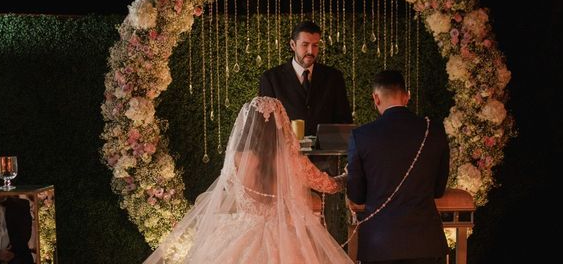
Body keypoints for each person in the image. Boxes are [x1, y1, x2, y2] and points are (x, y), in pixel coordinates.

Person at [142, 96, 354, 264]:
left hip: (241, 233)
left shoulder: (238, 158)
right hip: (284, 237)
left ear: (248, 123)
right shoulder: (291, 160)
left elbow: (229, 188)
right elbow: (329, 185)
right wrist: (346, 176)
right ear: (280, 126)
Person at [346, 70, 450, 264]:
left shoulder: (361, 136)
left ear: (376, 98)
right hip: (426, 242)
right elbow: (438, 190)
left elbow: (356, 195)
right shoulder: (434, 131)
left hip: (379, 245)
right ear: (406, 96)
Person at [258, 20, 352, 136]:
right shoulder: (270, 78)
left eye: (315, 45)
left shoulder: (334, 77)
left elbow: (344, 121)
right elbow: (265, 124)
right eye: (305, 45)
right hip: (286, 153)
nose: (311, 51)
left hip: (325, 153)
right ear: (293, 45)